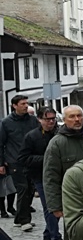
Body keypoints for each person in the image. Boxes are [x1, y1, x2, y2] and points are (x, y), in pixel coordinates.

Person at [43, 105, 83, 233]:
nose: (76, 119)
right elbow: (50, 176)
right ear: (64, 120)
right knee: (75, 233)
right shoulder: (57, 143)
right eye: (72, 116)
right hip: (73, 198)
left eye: (79, 116)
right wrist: (55, 206)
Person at [19, 107, 62, 240]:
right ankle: (56, 238)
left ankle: (48, 235)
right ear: (39, 119)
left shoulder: (60, 133)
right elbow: (24, 158)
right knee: (50, 207)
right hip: (40, 176)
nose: (51, 121)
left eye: (53, 118)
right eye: (47, 119)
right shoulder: (32, 136)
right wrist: (46, 159)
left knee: (58, 206)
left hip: (59, 175)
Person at [0, 95, 39, 230]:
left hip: (31, 160)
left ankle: (18, 218)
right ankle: (24, 221)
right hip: (14, 161)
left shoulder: (33, 120)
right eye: (22, 104)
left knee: (30, 189)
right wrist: (1, 163)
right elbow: (1, 143)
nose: (26, 106)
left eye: (26, 103)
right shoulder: (6, 123)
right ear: (14, 106)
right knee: (23, 188)